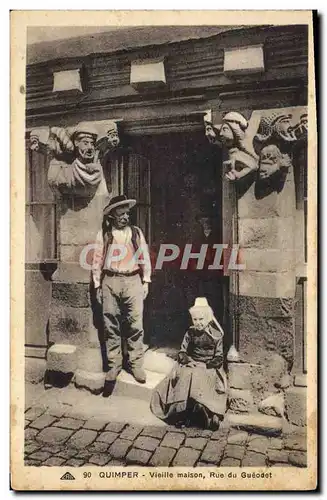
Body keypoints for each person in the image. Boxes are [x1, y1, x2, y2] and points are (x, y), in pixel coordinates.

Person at [92, 195, 152, 396]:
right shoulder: (105, 235)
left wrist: (146, 280)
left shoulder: (135, 233)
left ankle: (136, 365)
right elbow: (97, 260)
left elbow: (144, 256)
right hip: (110, 281)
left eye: (127, 213)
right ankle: (113, 366)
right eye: (121, 214)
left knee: (135, 324)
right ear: (112, 216)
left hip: (133, 280)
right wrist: (98, 285)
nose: (125, 217)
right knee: (111, 325)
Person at [150, 297, 227, 430]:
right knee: (185, 375)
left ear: (208, 318)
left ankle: (205, 413)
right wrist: (188, 361)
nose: (198, 323)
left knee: (201, 377)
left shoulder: (216, 335)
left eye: (201, 319)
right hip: (192, 363)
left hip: (208, 365)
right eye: (195, 319)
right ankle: (182, 413)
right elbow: (182, 351)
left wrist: (207, 364)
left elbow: (219, 357)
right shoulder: (190, 333)